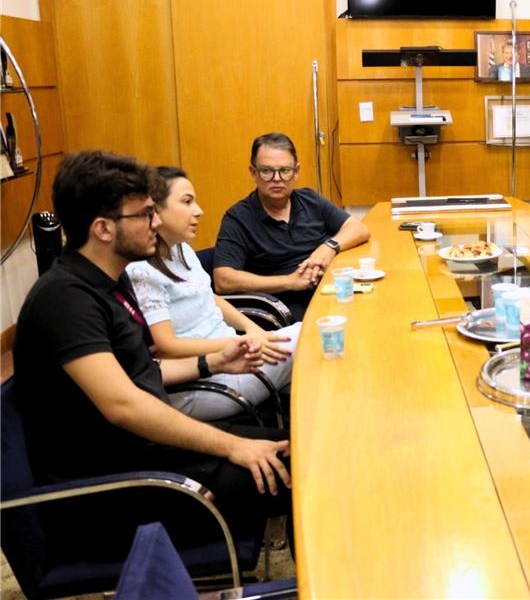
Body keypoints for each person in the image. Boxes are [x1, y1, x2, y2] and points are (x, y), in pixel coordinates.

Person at [12, 150, 291, 551]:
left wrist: (212, 361)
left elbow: (139, 373)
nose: (157, 222)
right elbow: (123, 404)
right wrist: (233, 446)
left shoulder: (111, 279)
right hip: (111, 491)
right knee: (302, 473)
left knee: (301, 449)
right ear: (104, 228)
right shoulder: (65, 298)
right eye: (145, 214)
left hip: (150, 456)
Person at [127, 166, 300, 421]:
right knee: (315, 336)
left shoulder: (181, 249)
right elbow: (166, 346)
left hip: (233, 359)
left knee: (313, 372)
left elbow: (211, 299)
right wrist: (236, 344)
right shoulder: (142, 271)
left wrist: (255, 332)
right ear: (155, 210)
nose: (198, 210)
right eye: (187, 201)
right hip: (204, 383)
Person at [214, 132, 369, 321]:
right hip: (286, 308)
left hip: (329, 291)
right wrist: (290, 282)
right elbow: (223, 279)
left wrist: (328, 247)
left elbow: (358, 228)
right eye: (267, 171)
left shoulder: (310, 200)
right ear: (253, 173)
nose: (277, 178)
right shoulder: (238, 218)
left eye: (285, 170)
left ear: (296, 171)